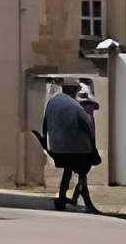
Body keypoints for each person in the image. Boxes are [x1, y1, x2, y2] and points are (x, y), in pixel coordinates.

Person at [40, 77, 103, 210]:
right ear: (74, 90)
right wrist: (93, 148)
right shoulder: (76, 106)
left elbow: (44, 125)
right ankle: (87, 204)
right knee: (82, 173)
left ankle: (65, 197)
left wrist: (47, 142)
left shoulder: (52, 102)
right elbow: (88, 128)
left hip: (58, 148)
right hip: (78, 150)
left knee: (68, 171)